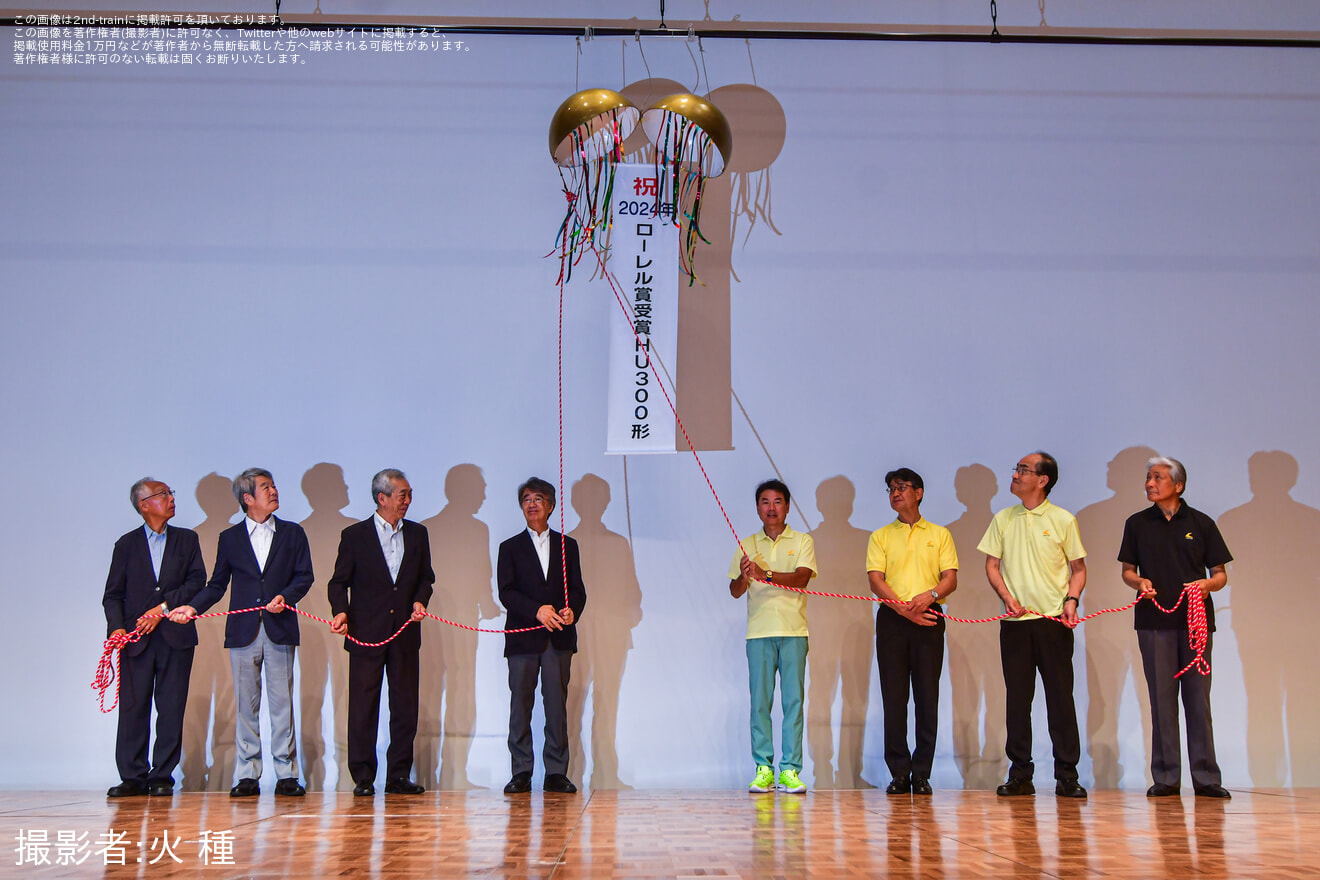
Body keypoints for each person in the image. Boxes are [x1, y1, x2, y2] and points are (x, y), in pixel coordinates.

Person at [171, 468, 313, 798]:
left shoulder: (293, 534)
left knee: (282, 706)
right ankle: (247, 773)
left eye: (274, 485)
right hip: (242, 632)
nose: (274, 491)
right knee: (246, 706)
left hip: (280, 629)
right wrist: (192, 608)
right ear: (248, 499)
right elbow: (217, 584)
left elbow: (304, 577)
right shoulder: (230, 538)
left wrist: (285, 597)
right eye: (266, 487)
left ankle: (286, 774)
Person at [1118, 456, 1233, 798]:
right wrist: (1139, 582)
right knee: (1162, 700)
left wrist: (1205, 586)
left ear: (1178, 485)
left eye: (1157, 477)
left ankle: (1207, 777)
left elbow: (1221, 575)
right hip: (1154, 621)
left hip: (1195, 622)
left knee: (1198, 700)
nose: (1150, 483)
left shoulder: (1201, 523)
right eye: (1148, 477)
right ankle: (1166, 777)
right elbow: (1127, 570)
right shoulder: (1137, 523)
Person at [978, 452, 1088, 799]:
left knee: (1060, 699)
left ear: (1043, 480)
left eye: (1023, 470)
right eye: (1017, 468)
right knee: (1018, 700)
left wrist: (1071, 601)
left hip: (1053, 622)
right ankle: (1020, 773)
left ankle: (1067, 775)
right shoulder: (1003, 518)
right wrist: (1006, 597)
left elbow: (1079, 569)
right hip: (1015, 623)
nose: (1016, 474)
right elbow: (992, 565)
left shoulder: (1062, 520)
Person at [328, 469, 435, 796]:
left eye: (409, 494)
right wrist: (340, 611)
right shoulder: (355, 535)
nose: (407, 500)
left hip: (404, 634)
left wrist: (419, 600)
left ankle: (398, 776)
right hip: (365, 633)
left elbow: (425, 579)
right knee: (363, 708)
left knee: (405, 707)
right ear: (382, 498)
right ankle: (362, 777)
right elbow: (338, 583)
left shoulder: (418, 534)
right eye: (402, 494)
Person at [102, 479, 207, 797]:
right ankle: (132, 775)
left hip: (176, 636)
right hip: (135, 640)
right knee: (133, 708)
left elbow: (197, 582)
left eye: (170, 493)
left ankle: (162, 775)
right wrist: (117, 628)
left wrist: (161, 609)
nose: (172, 499)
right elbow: (112, 595)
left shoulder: (187, 540)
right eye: (164, 495)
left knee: (171, 706)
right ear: (144, 504)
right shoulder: (126, 544)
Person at [866, 468, 958, 796]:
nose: (895, 493)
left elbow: (950, 578)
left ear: (918, 492)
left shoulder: (939, 534)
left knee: (926, 697)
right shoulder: (880, 536)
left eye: (901, 487)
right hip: (892, 619)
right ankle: (899, 773)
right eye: (891, 488)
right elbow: (876, 580)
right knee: (894, 698)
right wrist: (903, 608)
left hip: (929, 617)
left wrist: (929, 597)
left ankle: (922, 773)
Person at [727, 479, 818, 795]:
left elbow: (801, 578)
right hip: (759, 634)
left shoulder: (803, 540)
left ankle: (791, 770)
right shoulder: (748, 543)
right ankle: (763, 769)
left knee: (794, 703)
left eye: (777, 501)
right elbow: (736, 591)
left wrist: (763, 574)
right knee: (760, 704)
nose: (771, 508)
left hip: (793, 632)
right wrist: (743, 574)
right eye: (764, 502)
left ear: (788, 506)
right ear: (757, 508)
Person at [497, 477, 587, 794]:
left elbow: (577, 590)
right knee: (520, 706)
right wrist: (538, 610)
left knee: (555, 707)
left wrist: (571, 610)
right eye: (526, 499)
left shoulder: (568, 546)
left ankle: (556, 772)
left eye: (538, 499)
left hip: (558, 638)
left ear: (550, 505)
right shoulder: (509, 547)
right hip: (522, 639)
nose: (532, 504)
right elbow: (506, 592)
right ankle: (521, 771)